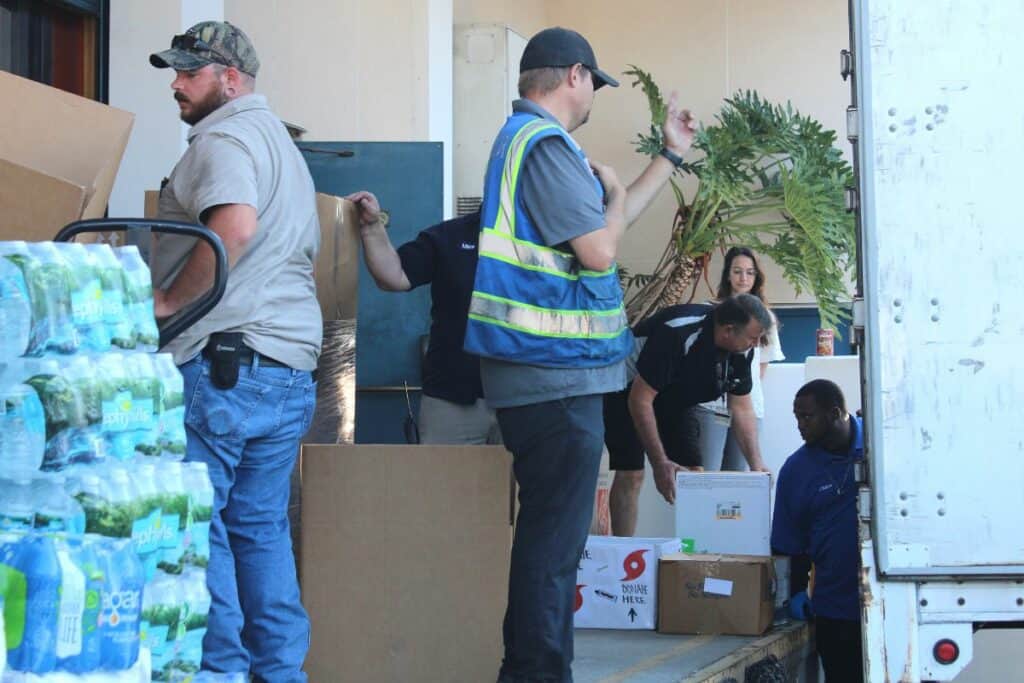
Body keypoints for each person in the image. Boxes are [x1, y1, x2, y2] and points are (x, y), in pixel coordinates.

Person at [461, 26, 697, 682]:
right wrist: (617, 200)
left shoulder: (532, 144)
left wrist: (666, 161)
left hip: (544, 376)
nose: (595, 93)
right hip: (551, 377)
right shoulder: (543, 146)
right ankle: (537, 673)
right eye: (594, 80)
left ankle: (527, 668)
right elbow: (600, 247)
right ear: (573, 75)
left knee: (548, 541)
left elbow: (602, 230)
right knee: (552, 549)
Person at [149, 21, 319, 682]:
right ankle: (279, 672)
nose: (177, 82)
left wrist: (169, 304)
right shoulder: (282, 145)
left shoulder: (224, 138)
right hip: (284, 371)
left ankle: (217, 671)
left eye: (190, 71)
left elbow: (235, 225)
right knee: (259, 528)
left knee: (201, 526)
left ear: (231, 78)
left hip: (226, 367)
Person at [606, 294, 773, 535]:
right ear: (728, 331)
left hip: (675, 397)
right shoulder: (677, 333)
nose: (757, 344)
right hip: (628, 389)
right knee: (632, 473)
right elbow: (640, 399)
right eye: (753, 337)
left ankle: (697, 552)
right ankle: (623, 552)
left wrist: (757, 464)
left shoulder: (742, 349)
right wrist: (660, 462)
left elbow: (742, 407)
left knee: (694, 475)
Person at [344, 200, 500, 444]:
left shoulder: (547, 241)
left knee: (531, 482)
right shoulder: (449, 236)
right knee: (443, 481)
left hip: (528, 396)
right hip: (452, 397)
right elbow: (394, 276)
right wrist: (372, 227)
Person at [772, 379, 864, 683]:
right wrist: (795, 592)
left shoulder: (882, 444)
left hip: (891, 601)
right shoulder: (796, 470)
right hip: (836, 612)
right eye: (797, 417)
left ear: (835, 413)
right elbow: (788, 543)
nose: (800, 425)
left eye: (807, 417)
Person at [696, 247, 786, 472]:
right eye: (737, 271)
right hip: (710, 405)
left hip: (748, 406)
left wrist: (741, 395)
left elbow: (761, 369)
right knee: (706, 475)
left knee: (739, 479)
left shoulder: (766, 318)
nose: (743, 278)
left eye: (749, 272)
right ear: (728, 274)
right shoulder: (709, 310)